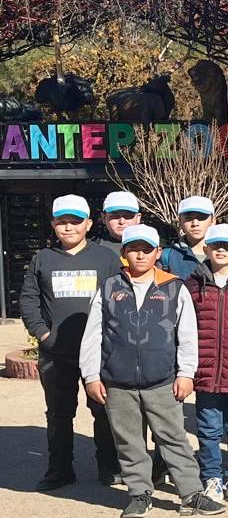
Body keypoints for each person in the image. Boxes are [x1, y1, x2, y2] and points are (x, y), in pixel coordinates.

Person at [80, 225, 221, 518]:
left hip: (162, 380)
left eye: (147, 249)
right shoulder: (108, 288)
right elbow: (93, 334)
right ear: (124, 253)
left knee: (173, 438)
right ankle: (139, 493)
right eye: (134, 249)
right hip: (117, 382)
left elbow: (187, 334)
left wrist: (186, 373)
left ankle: (191, 494)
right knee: (129, 440)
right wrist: (91, 375)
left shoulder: (174, 287)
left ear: (158, 253)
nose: (140, 254)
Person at [21, 195, 124, 491]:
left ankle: (109, 467)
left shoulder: (106, 259)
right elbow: (29, 300)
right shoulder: (43, 259)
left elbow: (119, 299)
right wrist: (43, 333)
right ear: (53, 225)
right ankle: (60, 470)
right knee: (59, 413)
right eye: (62, 222)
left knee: (103, 411)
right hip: (57, 353)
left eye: (75, 222)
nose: (68, 228)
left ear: (89, 224)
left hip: (99, 353)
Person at [184, 222, 228, 504]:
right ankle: (212, 477)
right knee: (208, 428)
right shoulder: (193, 283)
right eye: (216, 245)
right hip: (206, 370)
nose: (221, 250)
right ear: (207, 248)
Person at [159, 195, 214, 279]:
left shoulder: (226, 255)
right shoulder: (166, 256)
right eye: (188, 218)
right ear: (180, 222)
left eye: (201, 218)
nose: (195, 223)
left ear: (213, 221)